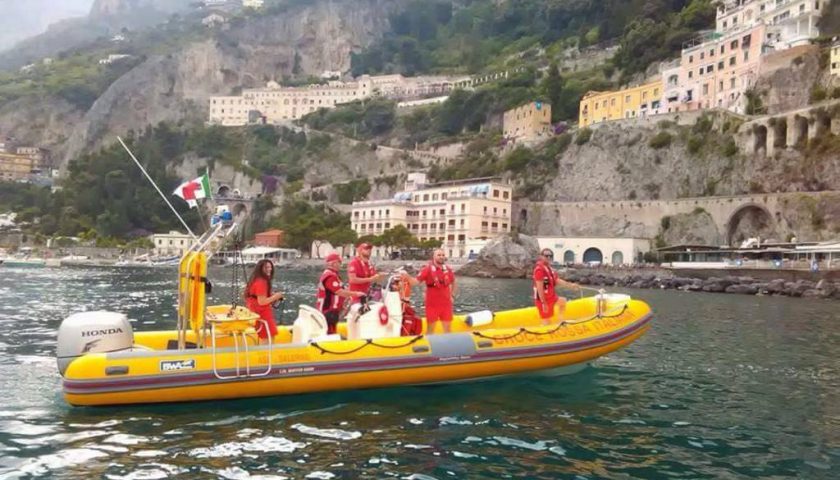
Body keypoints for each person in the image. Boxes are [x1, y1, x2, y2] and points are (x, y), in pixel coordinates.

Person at [402, 249, 456, 333]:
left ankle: (448, 344)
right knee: (430, 330)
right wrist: (407, 276)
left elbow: (453, 282)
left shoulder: (448, 269)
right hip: (432, 305)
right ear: (434, 257)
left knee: (448, 329)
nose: (441, 257)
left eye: (443, 255)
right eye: (439, 255)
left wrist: (452, 295)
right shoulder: (427, 269)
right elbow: (415, 282)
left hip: (446, 304)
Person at [316, 252, 365, 334]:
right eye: (339, 262)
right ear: (334, 263)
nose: (340, 265)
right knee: (330, 333)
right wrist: (356, 294)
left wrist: (344, 303)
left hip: (332, 311)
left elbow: (339, 291)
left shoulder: (333, 275)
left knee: (332, 331)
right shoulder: (330, 276)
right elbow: (339, 292)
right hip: (328, 311)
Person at [533, 249, 580, 325]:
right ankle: (545, 333)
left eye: (550, 256)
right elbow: (539, 288)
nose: (548, 257)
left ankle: (560, 321)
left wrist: (570, 285)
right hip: (543, 299)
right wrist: (543, 303)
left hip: (551, 296)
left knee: (563, 301)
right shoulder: (539, 270)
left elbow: (556, 280)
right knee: (546, 320)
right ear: (541, 256)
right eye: (546, 255)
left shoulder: (548, 268)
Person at [244, 259, 284, 342]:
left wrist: (271, 295)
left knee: (265, 336)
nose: (270, 269)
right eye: (266, 267)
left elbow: (256, 295)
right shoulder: (262, 282)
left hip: (255, 310)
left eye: (270, 267)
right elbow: (261, 302)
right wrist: (276, 296)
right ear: (260, 269)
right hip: (262, 312)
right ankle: (265, 354)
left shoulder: (255, 279)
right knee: (269, 336)